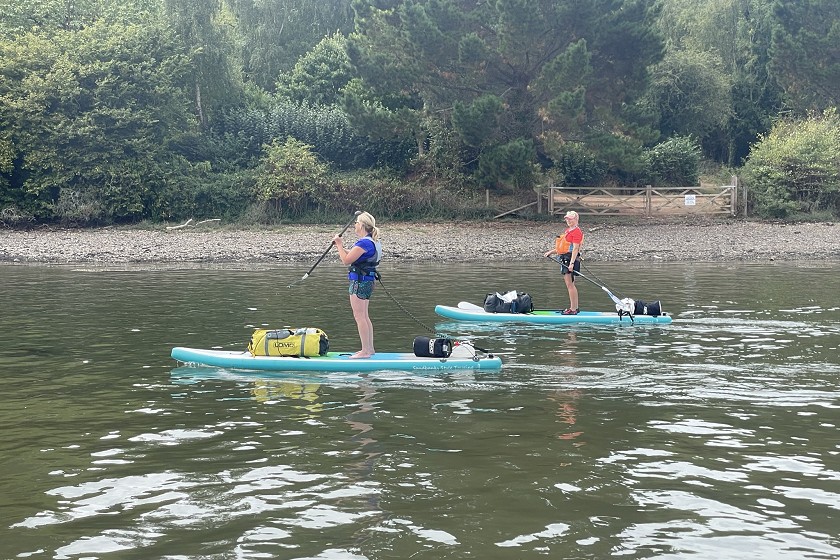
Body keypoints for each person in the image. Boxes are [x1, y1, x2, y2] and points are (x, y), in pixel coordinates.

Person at [334, 211, 381, 358]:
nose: (354, 225)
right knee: (364, 316)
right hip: (367, 282)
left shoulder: (364, 242)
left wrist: (339, 245)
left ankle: (365, 351)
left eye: (356, 223)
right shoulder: (372, 242)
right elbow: (354, 255)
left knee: (359, 316)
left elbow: (346, 260)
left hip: (359, 282)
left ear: (361, 225)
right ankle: (370, 349)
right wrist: (343, 248)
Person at [543, 210, 584, 315]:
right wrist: (551, 252)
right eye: (567, 219)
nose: (568, 221)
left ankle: (573, 309)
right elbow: (563, 248)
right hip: (565, 258)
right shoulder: (569, 230)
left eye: (570, 219)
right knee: (570, 284)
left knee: (570, 285)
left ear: (576, 220)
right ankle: (574, 307)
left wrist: (571, 264)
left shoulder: (576, 232)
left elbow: (575, 249)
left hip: (570, 259)